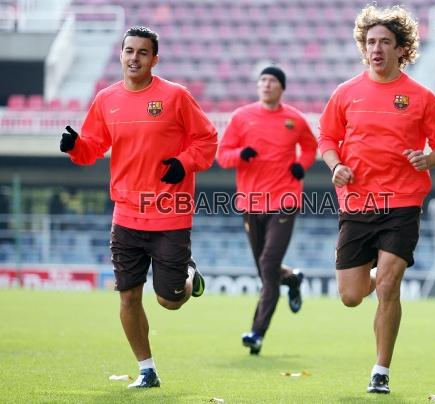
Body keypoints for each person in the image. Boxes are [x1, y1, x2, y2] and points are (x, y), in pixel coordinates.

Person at [59, 26, 218, 388]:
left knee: (169, 301)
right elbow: (92, 148)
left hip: (170, 212)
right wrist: (74, 146)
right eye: (129, 51)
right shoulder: (106, 99)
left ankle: (189, 278)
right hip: (127, 214)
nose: (134, 58)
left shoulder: (176, 97)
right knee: (128, 295)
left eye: (142, 53)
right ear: (121, 54)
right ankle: (147, 369)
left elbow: (207, 138)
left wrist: (184, 162)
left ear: (154, 59)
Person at [318, 5, 435, 394]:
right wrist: (335, 166)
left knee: (389, 286)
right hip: (357, 203)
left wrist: (427, 158)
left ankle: (381, 370)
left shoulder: (420, 97)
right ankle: (377, 273)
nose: (376, 49)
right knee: (350, 296)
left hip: (402, 201)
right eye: (370, 42)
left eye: (385, 42)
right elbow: (327, 138)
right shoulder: (345, 93)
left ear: (402, 49)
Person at [217, 66, 318, 355]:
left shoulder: (294, 119)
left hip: (284, 200)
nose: (266, 84)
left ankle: (257, 333)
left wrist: (303, 164)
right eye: (262, 80)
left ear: (281, 87)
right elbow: (223, 156)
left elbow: (311, 148)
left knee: (268, 263)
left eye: (272, 80)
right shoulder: (241, 117)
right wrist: (240, 154)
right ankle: (293, 279)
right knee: (267, 271)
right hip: (250, 203)